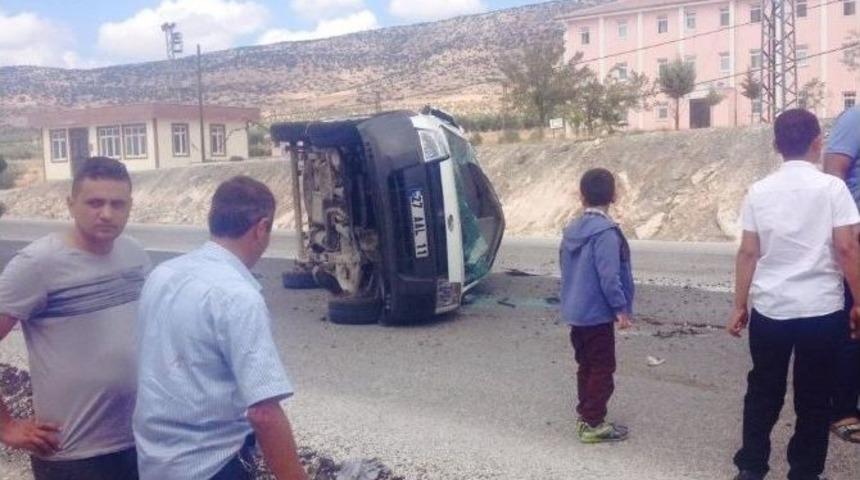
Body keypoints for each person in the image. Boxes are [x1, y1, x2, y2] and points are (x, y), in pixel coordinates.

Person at [133, 176, 306, 480]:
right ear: (261, 228)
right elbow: (264, 413)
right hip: (212, 466)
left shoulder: (162, 275)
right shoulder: (238, 297)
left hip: (154, 463)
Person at [728, 109, 860, 480]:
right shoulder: (833, 189)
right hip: (822, 310)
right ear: (818, 143)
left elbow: (748, 252)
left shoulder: (759, 191)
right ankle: (804, 472)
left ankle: (751, 468)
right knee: (814, 398)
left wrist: (740, 305)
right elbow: (848, 248)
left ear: (776, 145)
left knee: (763, 391)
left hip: (772, 310)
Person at [0, 157, 149, 480]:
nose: (107, 213)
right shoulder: (37, 264)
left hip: (139, 445)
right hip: (73, 457)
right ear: (71, 204)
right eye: (95, 202)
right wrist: (6, 426)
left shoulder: (135, 255)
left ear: (130, 206)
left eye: (117, 203)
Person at [559, 167, 634, 444]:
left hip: (576, 312)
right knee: (603, 368)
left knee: (586, 365)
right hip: (597, 314)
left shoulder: (571, 230)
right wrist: (621, 308)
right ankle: (592, 423)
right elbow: (609, 276)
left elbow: (566, 271)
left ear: (582, 197)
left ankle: (586, 414)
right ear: (613, 195)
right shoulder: (605, 233)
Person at [822, 105, 860, 444]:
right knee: (855, 323)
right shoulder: (856, 118)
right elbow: (833, 175)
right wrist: (846, 232)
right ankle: (843, 409)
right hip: (857, 236)